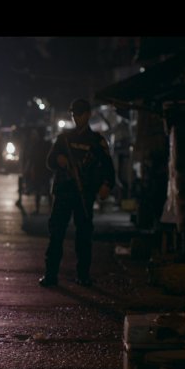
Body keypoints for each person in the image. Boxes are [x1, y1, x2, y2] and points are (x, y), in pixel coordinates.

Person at [39, 98, 115, 287]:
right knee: (56, 234)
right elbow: (49, 162)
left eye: (79, 114)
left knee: (84, 236)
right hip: (64, 192)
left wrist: (106, 184)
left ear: (88, 115)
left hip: (84, 194)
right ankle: (51, 275)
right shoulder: (64, 138)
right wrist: (60, 160)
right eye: (74, 114)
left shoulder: (96, 141)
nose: (76, 118)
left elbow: (108, 167)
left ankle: (83, 275)